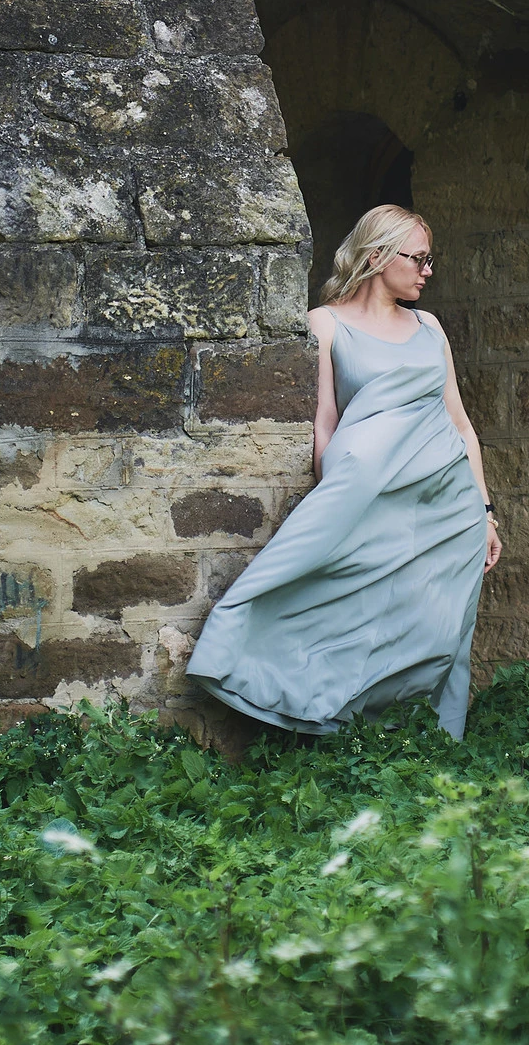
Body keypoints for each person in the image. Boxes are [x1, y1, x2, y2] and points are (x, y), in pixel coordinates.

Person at [186, 203, 502, 741]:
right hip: (369, 498)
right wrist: (340, 496)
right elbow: (325, 426)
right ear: (379, 256)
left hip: (449, 511)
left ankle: (426, 743)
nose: (429, 271)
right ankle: (315, 711)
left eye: (431, 259)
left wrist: (486, 512)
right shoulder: (325, 323)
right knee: (343, 608)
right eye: (420, 258)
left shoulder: (431, 327)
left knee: (439, 627)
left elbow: (462, 426)